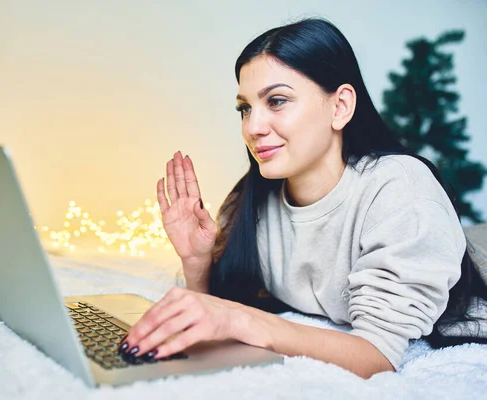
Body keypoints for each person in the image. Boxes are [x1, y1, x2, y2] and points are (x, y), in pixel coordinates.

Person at [117, 18, 487, 378]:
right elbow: (222, 306)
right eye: (244, 108)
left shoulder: (402, 190)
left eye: (276, 101)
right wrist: (196, 260)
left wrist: (246, 321)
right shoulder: (256, 196)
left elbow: (377, 356)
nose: (252, 127)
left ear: (340, 106)